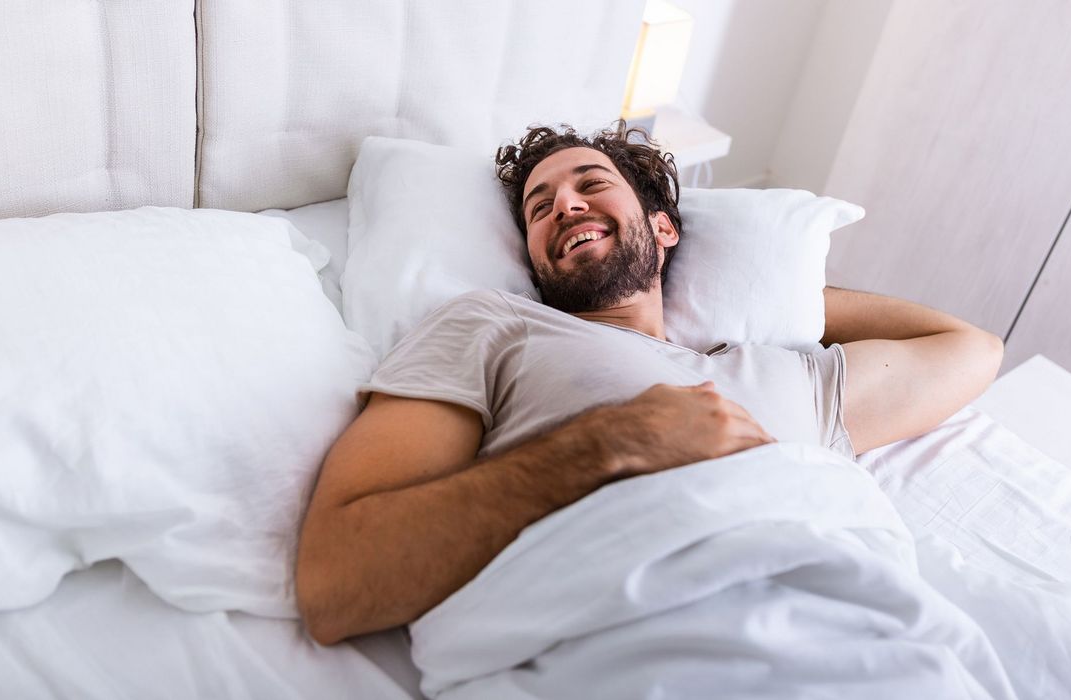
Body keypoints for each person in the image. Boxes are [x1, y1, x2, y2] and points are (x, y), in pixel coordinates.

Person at [294, 122, 1004, 646]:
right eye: (539, 209)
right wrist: (606, 444)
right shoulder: (492, 328)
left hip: (863, 645)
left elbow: (971, 349)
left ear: (664, 229)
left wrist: (792, 298)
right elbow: (336, 583)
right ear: (533, 260)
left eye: (591, 185)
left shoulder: (786, 375)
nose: (563, 206)